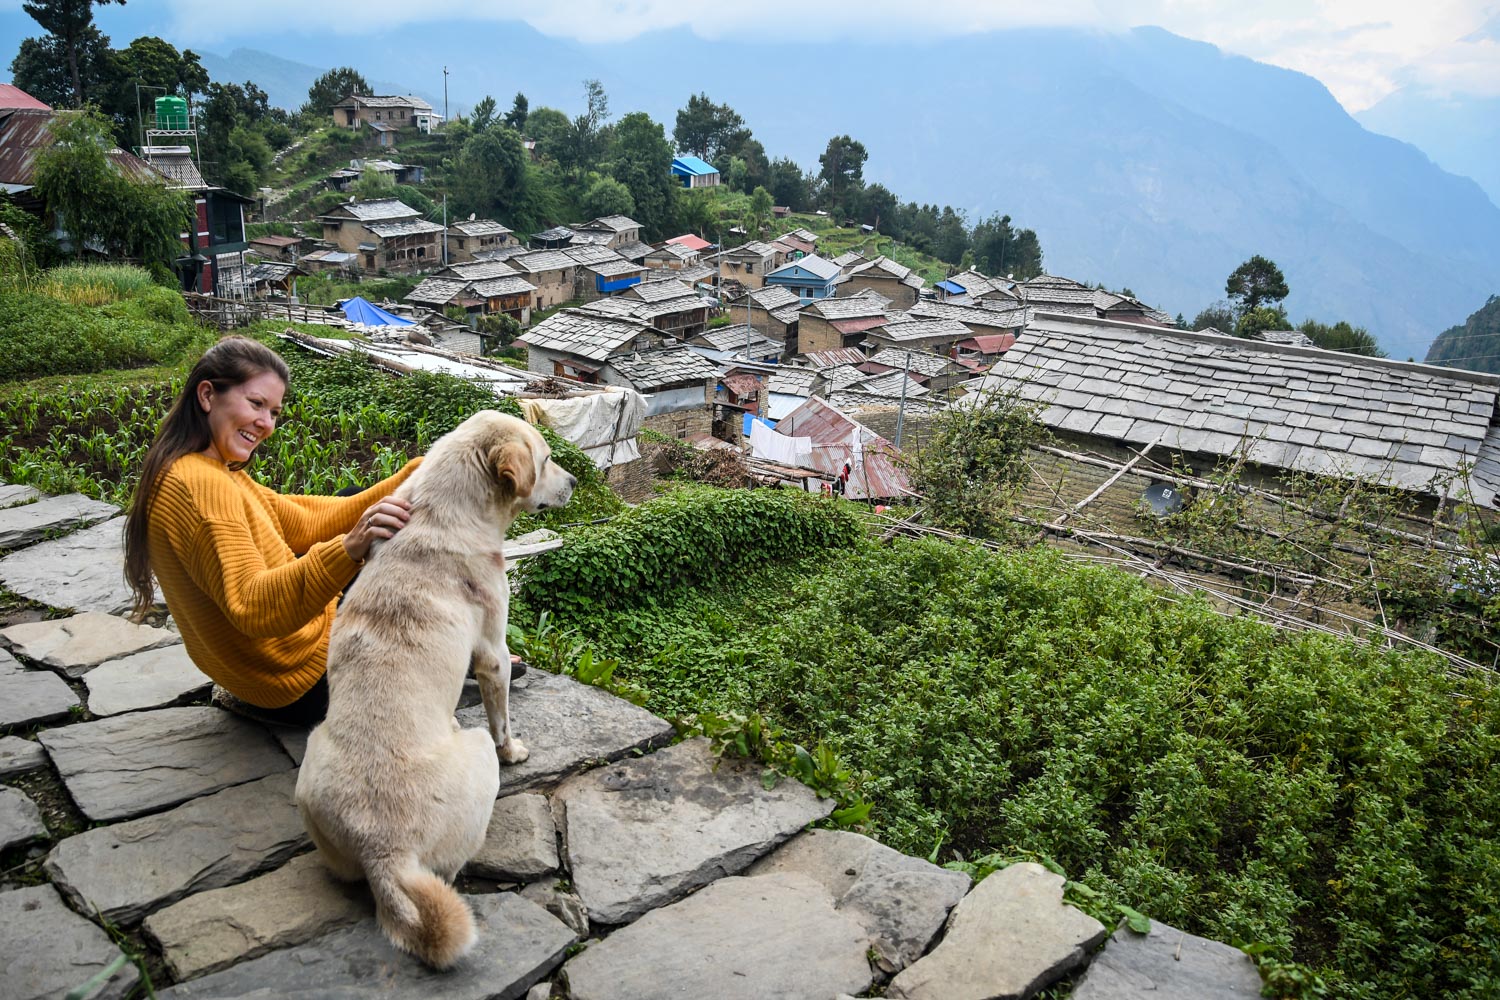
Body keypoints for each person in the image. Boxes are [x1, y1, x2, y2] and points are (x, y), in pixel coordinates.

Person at [123, 336, 419, 726]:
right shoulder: (202, 487)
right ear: (208, 395)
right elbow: (254, 605)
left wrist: (413, 477)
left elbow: (300, 519)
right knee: (389, 541)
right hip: (296, 682)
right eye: (256, 404)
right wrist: (350, 549)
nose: (266, 424)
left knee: (356, 502)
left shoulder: (201, 466)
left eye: (274, 412)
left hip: (253, 671)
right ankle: (451, 652)